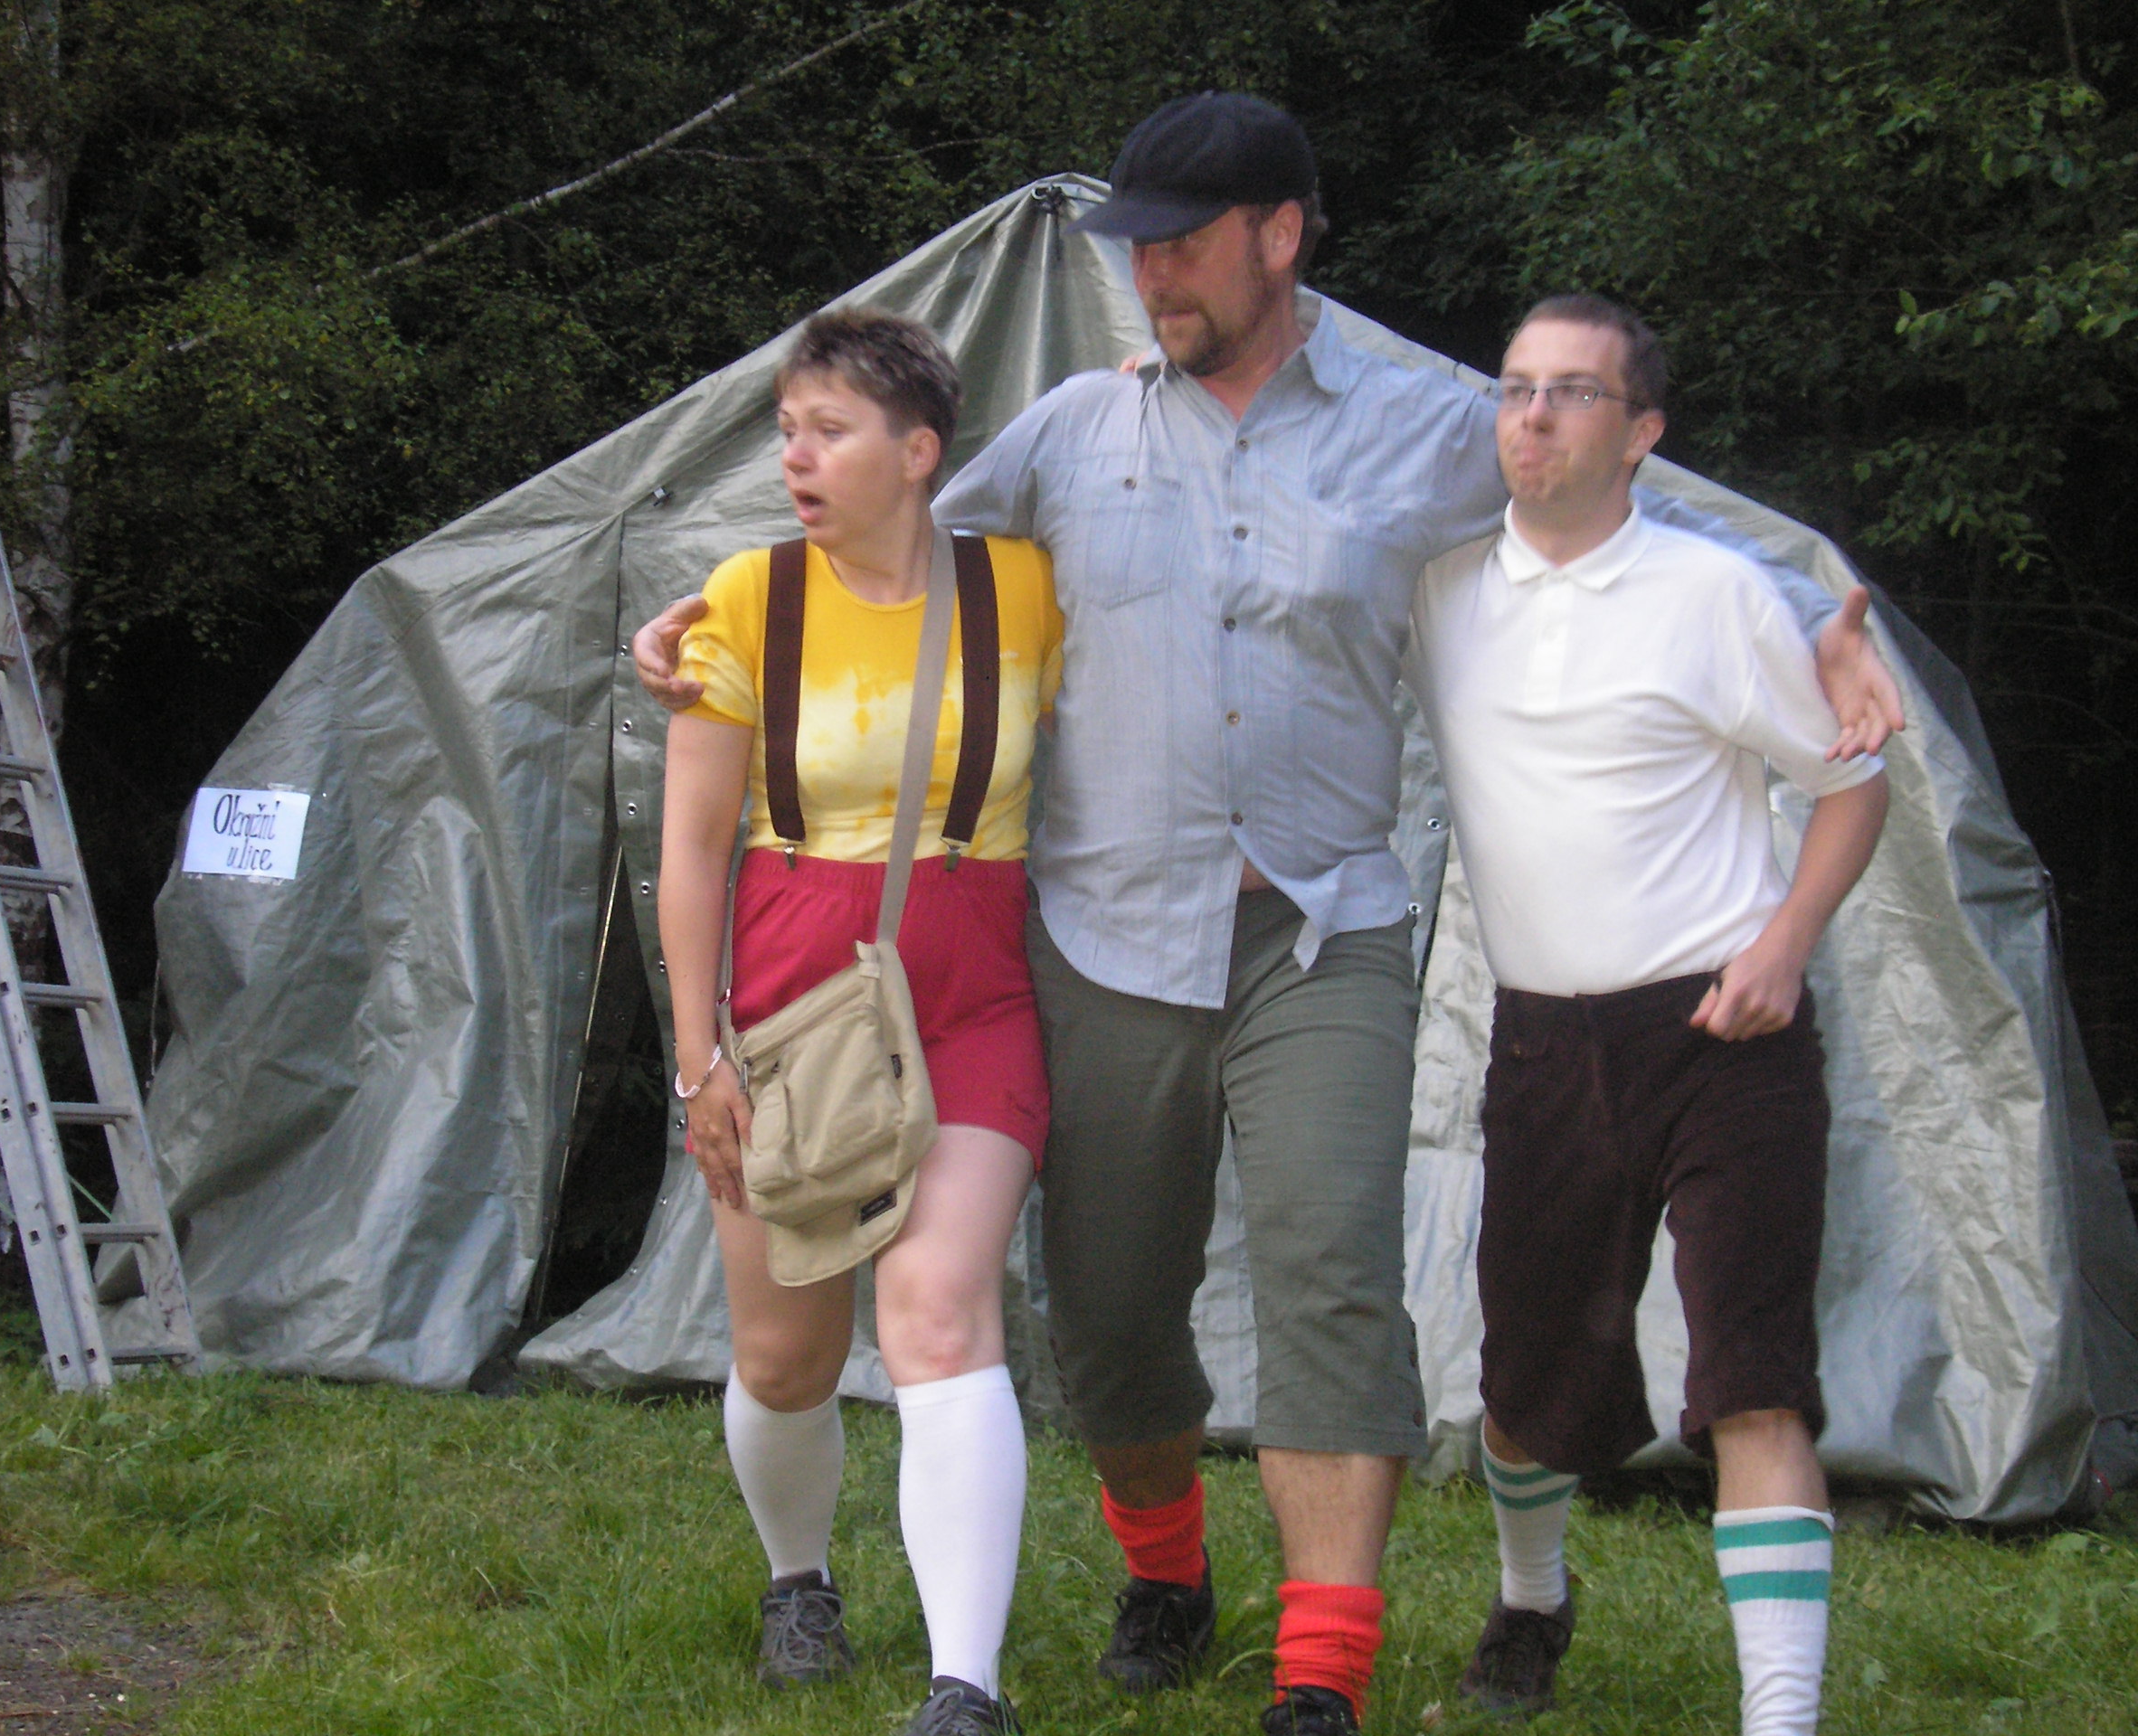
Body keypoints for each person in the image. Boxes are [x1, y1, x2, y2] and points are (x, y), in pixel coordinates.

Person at [639, 95, 1904, 1736]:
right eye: (1140, 248)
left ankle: (1321, 1677)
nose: (1152, 273)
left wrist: (1813, 615)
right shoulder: (1077, 433)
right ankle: (1167, 1576)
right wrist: (719, 609)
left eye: (1182, 244)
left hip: (1324, 930)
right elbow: (893, 535)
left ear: (1282, 236)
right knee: (1111, 1314)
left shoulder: (1426, 427)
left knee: (1330, 1283)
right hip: (1107, 937)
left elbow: (1604, 497)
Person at [1405, 297, 1886, 1734]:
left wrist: (1786, 947)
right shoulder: (1436, 591)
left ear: (1642, 434)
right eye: (1516, 389)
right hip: (1546, 1042)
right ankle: (1532, 1600)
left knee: (1756, 1379)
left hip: (1728, 1037)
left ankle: (1779, 1718)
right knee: (1526, 1385)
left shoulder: (1715, 594)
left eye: (1574, 393)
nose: (1533, 417)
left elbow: (1853, 784)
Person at [657, 309, 1060, 1736]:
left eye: (829, 431)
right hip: (792, 1005)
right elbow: (691, 847)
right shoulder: (745, 601)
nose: (796, 458)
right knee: (787, 1357)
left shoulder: (1025, 589)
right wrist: (700, 1058)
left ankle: (966, 1689)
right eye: (788, 431)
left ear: (920, 450)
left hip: (973, 990)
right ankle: (799, 1579)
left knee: (938, 1308)